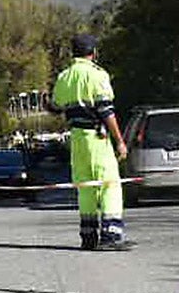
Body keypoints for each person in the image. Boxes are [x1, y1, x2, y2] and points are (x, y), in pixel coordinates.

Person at [51, 32, 129, 249]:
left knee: (84, 185)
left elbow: (54, 105)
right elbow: (106, 111)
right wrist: (120, 141)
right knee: (109, 184)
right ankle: (111, 235)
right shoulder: (97, 75)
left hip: (76, 138)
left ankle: (88, 235)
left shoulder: (64, 77)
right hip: (97, 137)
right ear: (94, 53)